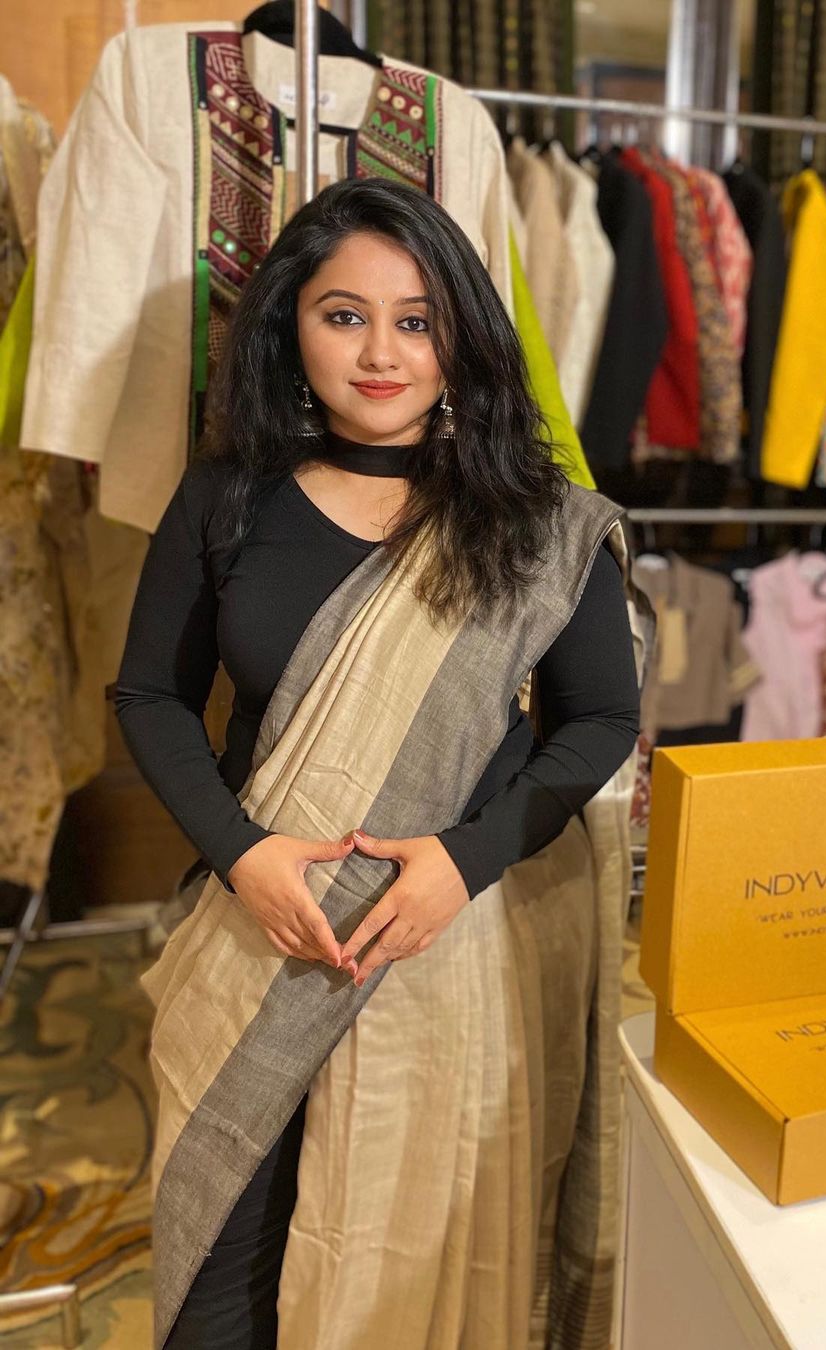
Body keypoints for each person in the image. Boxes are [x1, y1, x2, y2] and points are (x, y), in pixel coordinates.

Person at [116, 177, 639, 1350]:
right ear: (289, 327)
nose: (382, 354)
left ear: (461, 337)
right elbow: (149, 695)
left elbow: (601, 722)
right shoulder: (228, 496)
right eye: (344, 315)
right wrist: (242, 855)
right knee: (219, 1284)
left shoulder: (538, 520)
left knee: (401, 1289)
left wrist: (463, 862)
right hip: (259, 940)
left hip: (440, 959)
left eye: (416, 320)